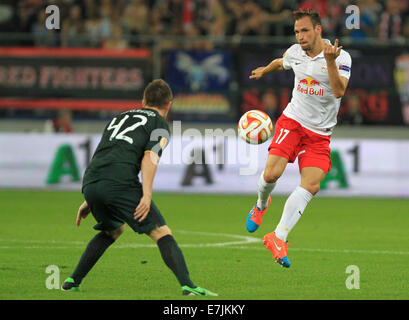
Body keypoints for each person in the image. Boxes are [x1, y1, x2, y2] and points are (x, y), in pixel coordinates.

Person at [62, 79, 217, 296]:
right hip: (119, 184)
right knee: (160, 231)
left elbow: (106, 153)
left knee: (114, 229)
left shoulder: (119, 117)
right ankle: (188, 286)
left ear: (143, 101)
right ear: (169, 104)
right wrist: (146, 194)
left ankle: (72, 280)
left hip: (91, 180)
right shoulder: (160, 125)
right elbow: (149, 158)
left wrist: (91, 196)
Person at [246, 9, 351, 268]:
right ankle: (261, 204)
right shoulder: (295, 52)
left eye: (304, 31)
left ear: (318, 30)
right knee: (272, 175)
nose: (300, 36)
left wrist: (328, 61)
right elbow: (281, 62)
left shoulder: (340, 56)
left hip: (319, 134)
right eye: (296, 32)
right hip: (293, 122)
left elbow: (338, 91)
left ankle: (278, 236)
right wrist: (265, 71)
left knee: (312, 184)